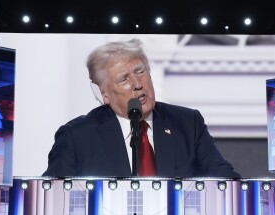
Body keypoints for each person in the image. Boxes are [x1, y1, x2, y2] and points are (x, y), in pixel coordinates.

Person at [43, 38, 239, 178]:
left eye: (140, 71)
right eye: (123, 79)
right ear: (105, 95)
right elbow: (53, 198)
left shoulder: (188, 124)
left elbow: (225, 179)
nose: (137, 84)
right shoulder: (76, 137)